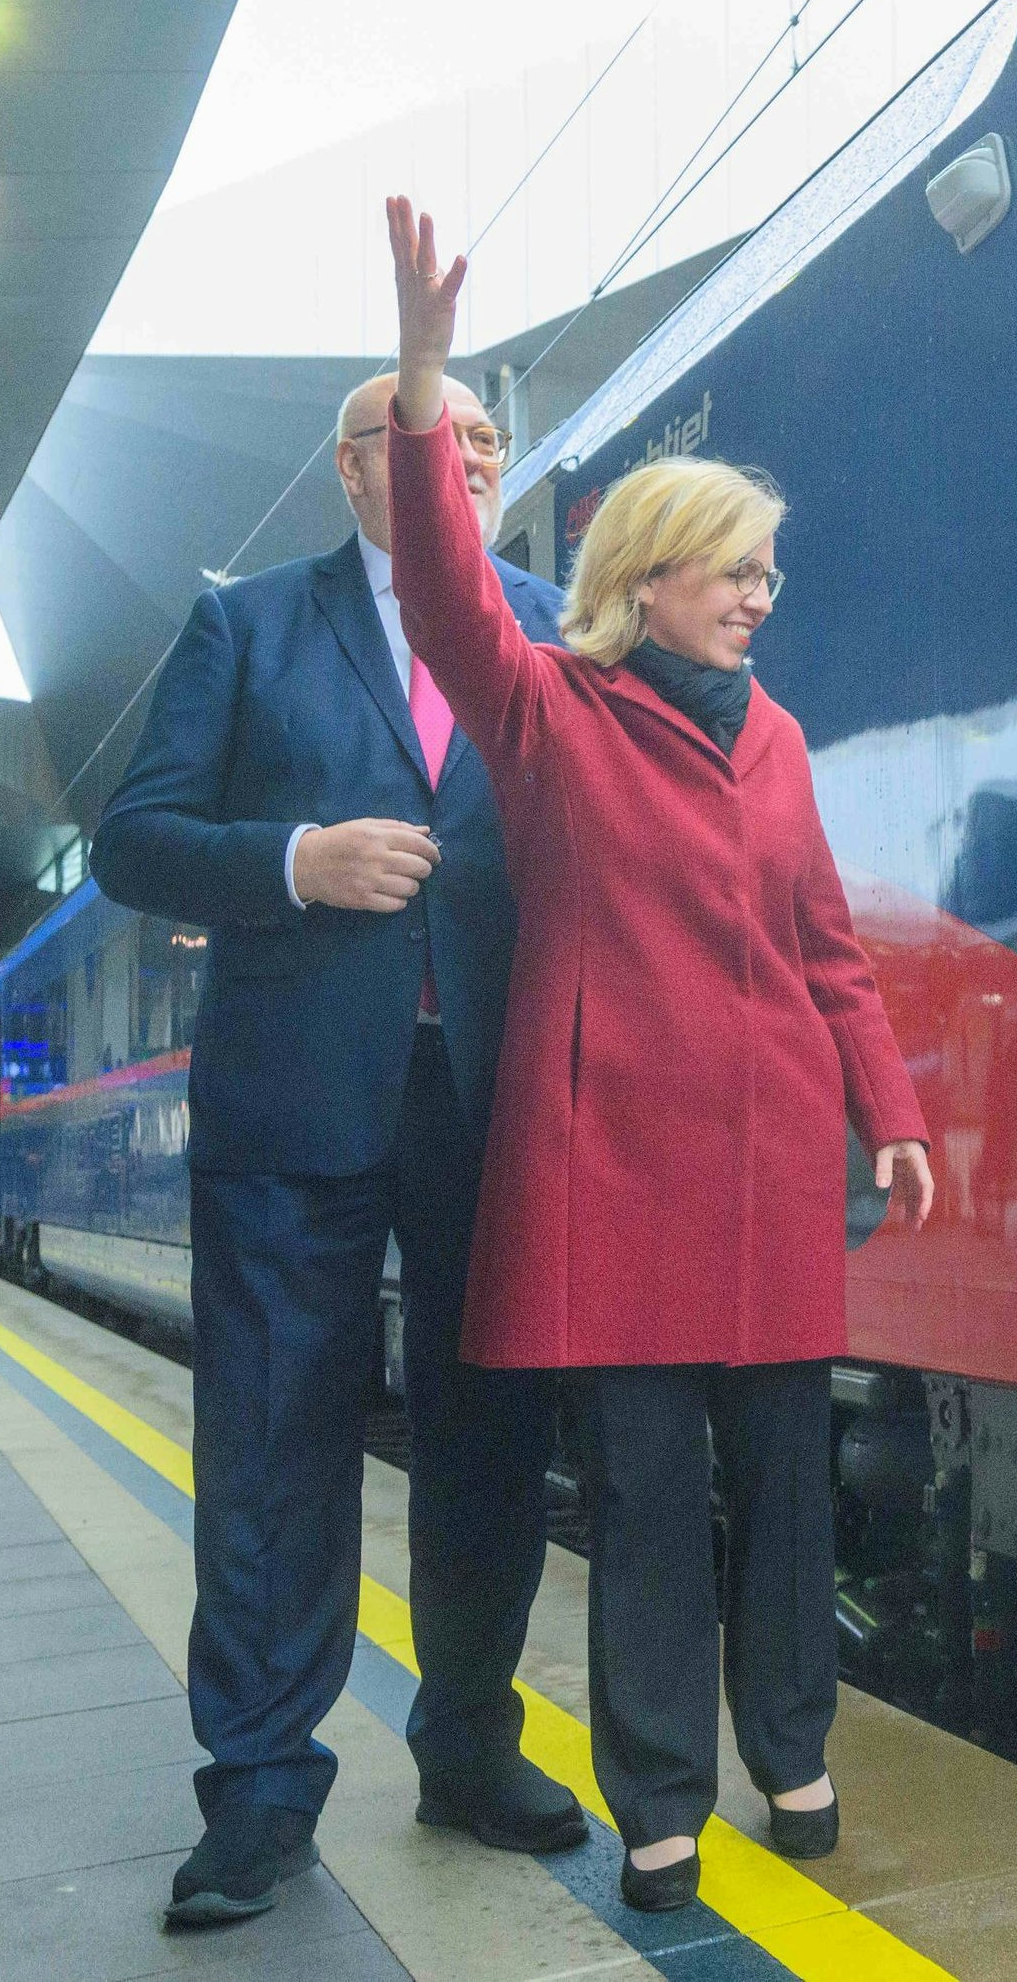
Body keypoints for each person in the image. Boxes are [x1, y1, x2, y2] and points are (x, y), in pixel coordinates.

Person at [380, 197, 934, 1912]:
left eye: (772, 572)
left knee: (780, 1482)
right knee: (639, 1495)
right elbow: (448, 593)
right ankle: (662, 1792)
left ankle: (790, 1742)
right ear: (645, 579)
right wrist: (420, 393)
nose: (763, 597)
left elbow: (828, 947)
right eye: (736, 569)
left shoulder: (777, 745)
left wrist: (893, 1117)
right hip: (615, 1161)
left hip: (769, 1168)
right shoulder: (548, 712)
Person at [91, 352, 585, 1926]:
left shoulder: (552, 630)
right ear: (356, 467)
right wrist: (296, 858)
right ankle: (255, 1789)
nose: (468, 458)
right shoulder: (246, 623)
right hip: (294, 1102)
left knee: (491, 1433)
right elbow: (134, 838)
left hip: (492, 1099)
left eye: (491, 440)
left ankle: (467, 1740)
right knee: (276, 1438)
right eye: (428, 433)